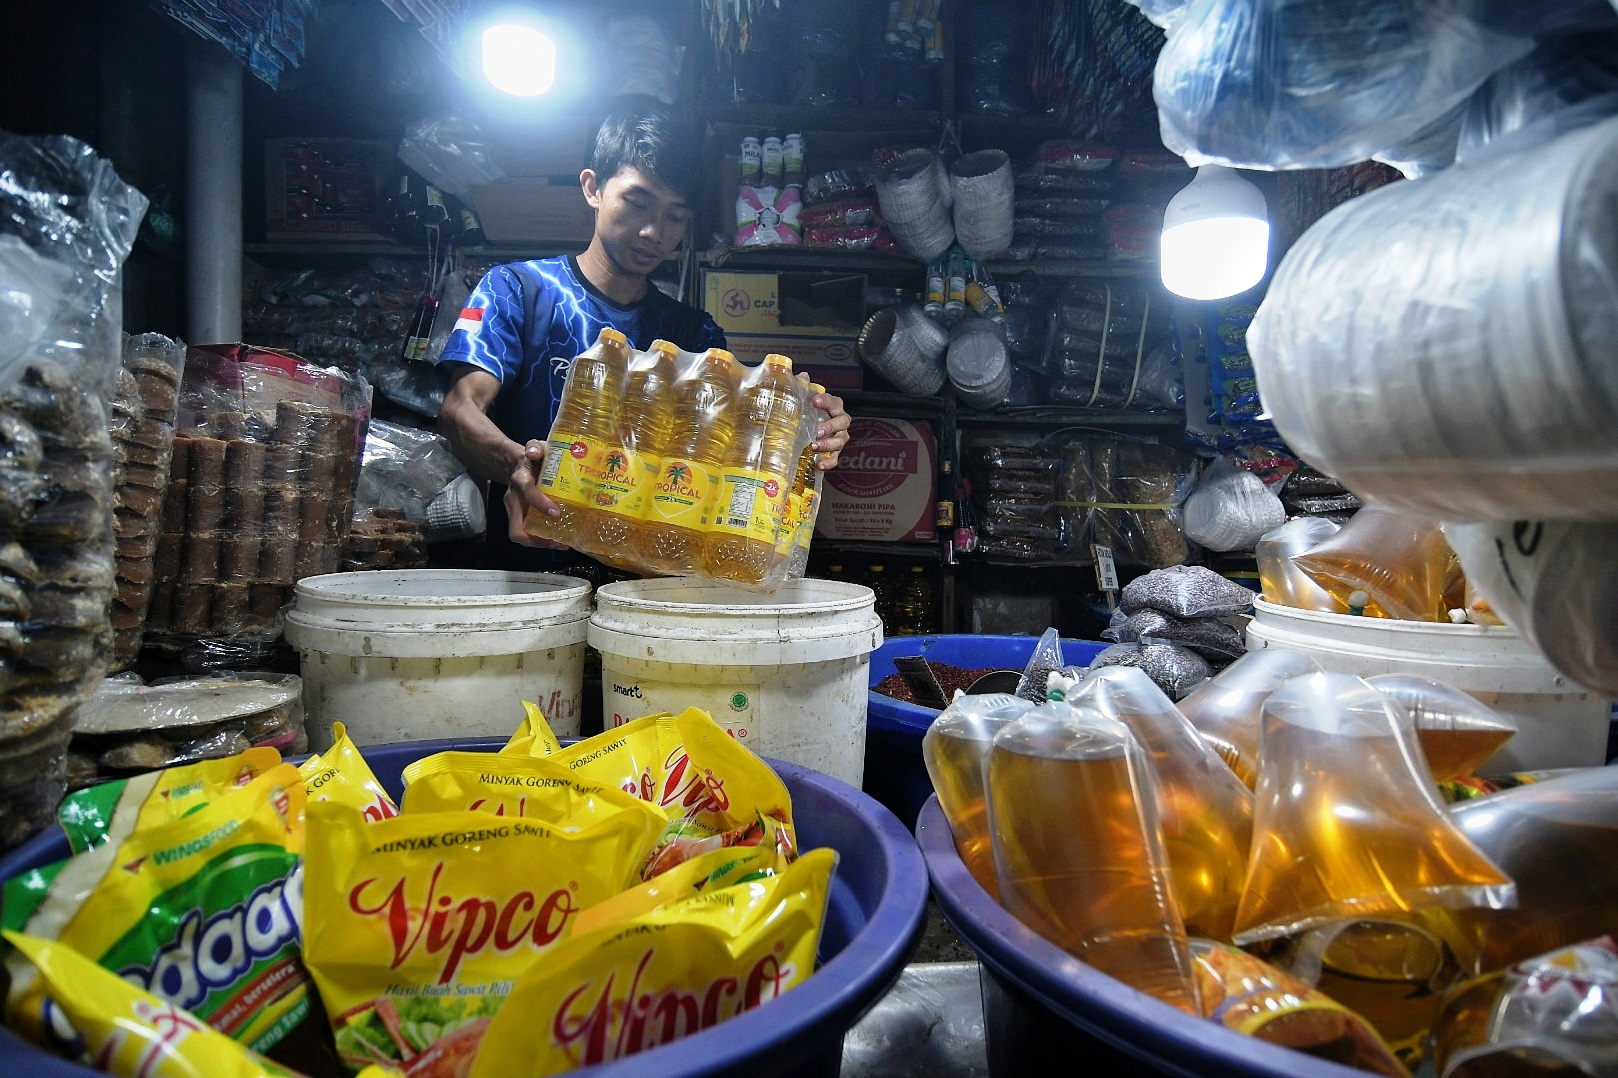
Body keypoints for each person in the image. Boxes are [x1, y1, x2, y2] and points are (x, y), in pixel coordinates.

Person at [437, 97, 853, 569]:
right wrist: (516, 463)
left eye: (676, 217)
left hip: (647, 579)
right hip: (525, 571)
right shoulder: (519, 291)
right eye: (637, 204)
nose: (654, 231)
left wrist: (809, 431)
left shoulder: (693, 337)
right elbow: (459, 409)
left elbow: (731, 454)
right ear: (592, 188)